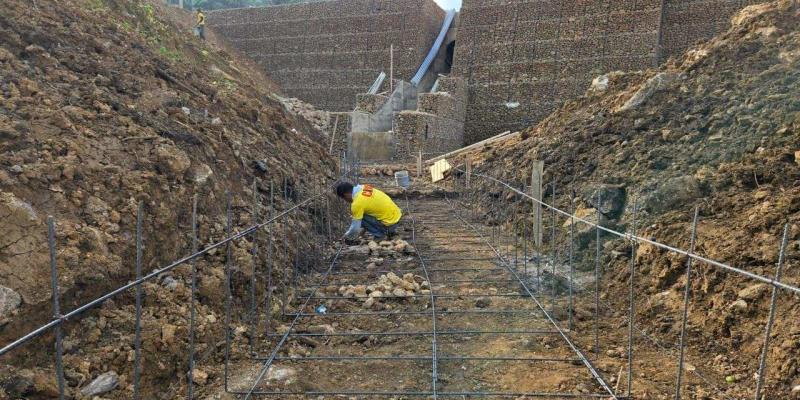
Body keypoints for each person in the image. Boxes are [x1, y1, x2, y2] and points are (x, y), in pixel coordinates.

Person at [335, 182, 402, 241]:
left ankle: (380, 235)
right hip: (396, 217)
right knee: (360, 214)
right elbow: (371, 209)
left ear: (346, 194)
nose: (345, 200)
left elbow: (355, 228)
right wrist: (362, 233)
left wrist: (346, 236)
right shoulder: (363, 187)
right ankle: (387, 230)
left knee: (358, 217)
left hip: (389, 224)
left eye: (344, 198)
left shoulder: (357, 204)